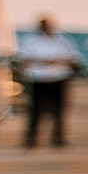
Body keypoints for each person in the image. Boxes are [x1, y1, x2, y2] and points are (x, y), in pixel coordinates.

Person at [15, 15, 74, 148]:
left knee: (60, 110)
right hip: (38, 80)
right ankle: (32, 138)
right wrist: (44, 61)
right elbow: (22, 60)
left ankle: (58, 138)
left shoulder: (62, 40)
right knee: (35, 111)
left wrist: (53, 61)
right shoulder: (30, 41)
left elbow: (72, 59)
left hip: (59, 78)